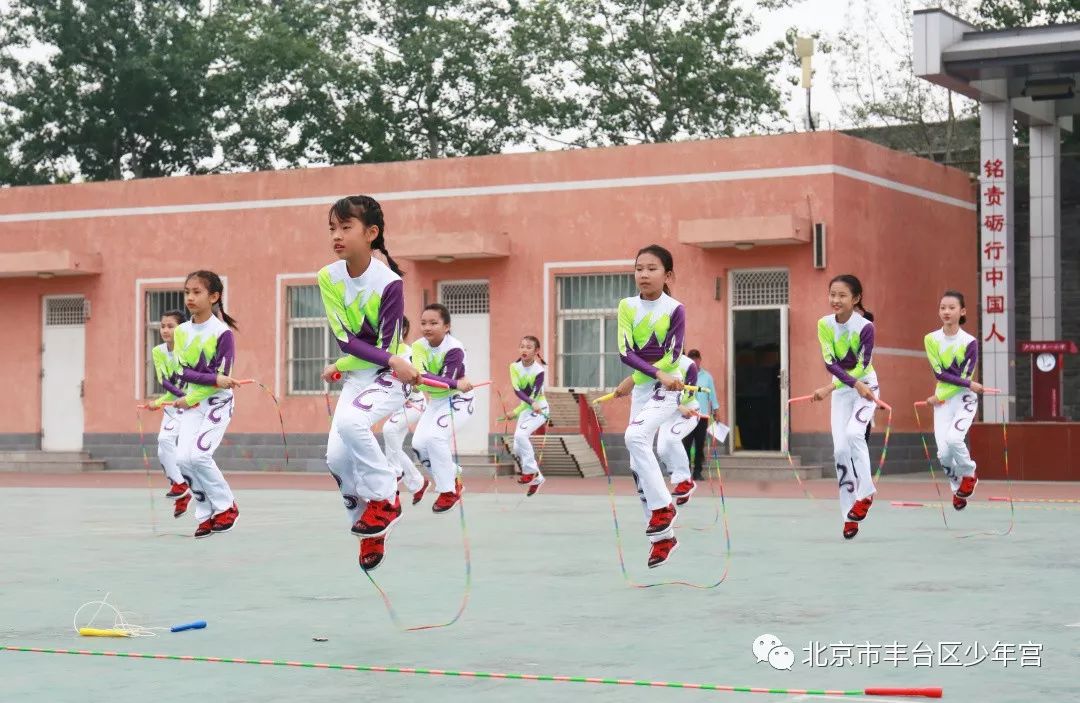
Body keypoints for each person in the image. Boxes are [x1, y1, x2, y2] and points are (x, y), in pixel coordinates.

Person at [319, 195, 421, 571]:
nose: (337, 235)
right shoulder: (328, 277)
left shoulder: (389, 283)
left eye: (346, 227)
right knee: (336, 457)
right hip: (363, 372)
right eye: (333, 228)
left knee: (350, 423)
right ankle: (370, 533)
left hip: (389, 376)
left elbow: (386, 348)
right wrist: (342, 362)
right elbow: (347, 340)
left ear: (371, 233)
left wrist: (395, 360)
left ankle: (386, 498)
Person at [611, 244, 686, 568]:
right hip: (648, 385)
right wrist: (641, 378)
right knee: (636, 465)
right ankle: (663, 539)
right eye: (639, 268)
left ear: (667, 275)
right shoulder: (627, 306)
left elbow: (672, 354)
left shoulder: (675, 309)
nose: (644, 274)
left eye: (652, 268)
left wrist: (656, 376)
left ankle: (663, 508)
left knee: (635, 437)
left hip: (669, 387)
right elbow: (626, 353)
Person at [172, 270, 241, 538]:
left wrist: (199, 389)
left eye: (197, 292)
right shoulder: (181, 332)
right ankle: (205, 513)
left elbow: (220, 382)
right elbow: (181, 372)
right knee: (182, 459)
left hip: (217, 405)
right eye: (187, 291)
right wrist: (207, 382)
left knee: (199, 455)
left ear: (214, 296)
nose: (190, 297)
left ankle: (226, 507)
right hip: (193, 403)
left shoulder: (222, 333)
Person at [811, 274, 879, 540]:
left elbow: (862, 367)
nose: (835, 300)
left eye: (842, 295)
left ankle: (867, 493)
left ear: (856, 299)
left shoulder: (865, 327)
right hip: (844, 390)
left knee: (853, 435)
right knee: (840, 451)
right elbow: (830, 363)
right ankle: (849, 516)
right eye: (832, 295)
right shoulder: (824, 324)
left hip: (867, 388)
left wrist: (832, 387)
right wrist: (839, 386)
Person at [410, 303, 476, 514]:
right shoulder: (419, 346)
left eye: (433, 323)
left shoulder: (454, 348)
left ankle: (449, 490)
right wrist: (426, 379)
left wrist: (450, 384)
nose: (427, 327)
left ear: (446, 326)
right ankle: (452, 475)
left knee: (435, 437)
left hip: (458, 400)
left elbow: (444, 381)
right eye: (423, 323)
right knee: (419, 444)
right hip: (437, 401)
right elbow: (420, 379)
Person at [924, 290, 984, 510]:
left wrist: (941, 394)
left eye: (951, 308)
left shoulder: (970, 342)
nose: (946, 312)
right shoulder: (931, 339)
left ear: (962, 311)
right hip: (944, 402)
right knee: (943, 453)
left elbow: (964, 377)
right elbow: (940, 374)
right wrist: (940, 396)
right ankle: (957, 488)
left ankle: (969, 474)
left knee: (954, 439)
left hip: (965, 400)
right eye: (943, 308)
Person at [382, 317, 430, 506]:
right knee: (393, 446)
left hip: (414, 404)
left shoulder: (409, 354)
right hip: (398, 407)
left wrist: (412, 385)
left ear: (404, 330)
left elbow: (417, 386)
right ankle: (418, 484)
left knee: (389, 431)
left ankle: (396, 472)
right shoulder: (384, 353)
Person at [148, 309, 191, 519]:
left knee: (188, 456)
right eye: (163, 325)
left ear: (181, 328)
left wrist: (188, 398)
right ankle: (180, 487)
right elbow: (164, 381)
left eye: (170, 326)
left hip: (194, 405)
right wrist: (159, 402)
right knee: (163, 445)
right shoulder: (158, 351)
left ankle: (207, 501)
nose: (165, 330)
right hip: (175, 405)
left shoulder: (189, 349)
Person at [509, 335, 548, 497]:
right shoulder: (514, 367)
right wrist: (517, 412)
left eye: (529, 347)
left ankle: (530, 472)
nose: (524, 350)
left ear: (536, 351)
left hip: (541, 409)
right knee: (517, 447)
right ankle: (537, 477)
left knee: (520, 435)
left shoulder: (539, 371)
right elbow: (517, 391)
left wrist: (527, 406)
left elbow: (535, 395)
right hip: (527, 408)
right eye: (522, 346)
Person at [681, 349, 720, 481]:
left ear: (700, 360)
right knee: (686, 444)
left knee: (699, 444)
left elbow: (712, 395)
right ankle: (685, 472)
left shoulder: (707, 377)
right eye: (692, 360)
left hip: (702, 416)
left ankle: (697, 471)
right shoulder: (684, 375)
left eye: (696, 359)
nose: (694, 362)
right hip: (688, 415)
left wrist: (716, 411)